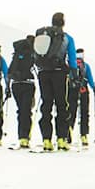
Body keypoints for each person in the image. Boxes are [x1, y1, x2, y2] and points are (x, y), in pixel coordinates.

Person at [34, 12, 79, 151]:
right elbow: (72, 58)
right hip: (59, 74)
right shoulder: (67, 38)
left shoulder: (42, 35)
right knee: (61, 105)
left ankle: (46, 139)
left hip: (43, 72)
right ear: (63, 23)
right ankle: (61, 139)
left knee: (46, 104)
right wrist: (74, 73)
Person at [7, 35, 37, 148]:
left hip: (15, 85)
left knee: (21, 111)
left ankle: (22, 137)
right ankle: (25, 137)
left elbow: (10, 71)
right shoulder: (32, 53)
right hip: (28, 84)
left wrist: (7, 88)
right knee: (26, 111)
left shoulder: (16, 53)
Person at [66, 47, 95, 148]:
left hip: (72, 91)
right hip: (83, 90)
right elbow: (90, 79)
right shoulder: (86, 66)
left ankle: (68, 133)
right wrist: (93, 87)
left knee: (72, 112)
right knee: (84, 113)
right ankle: (84, 135)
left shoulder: (70, 65)